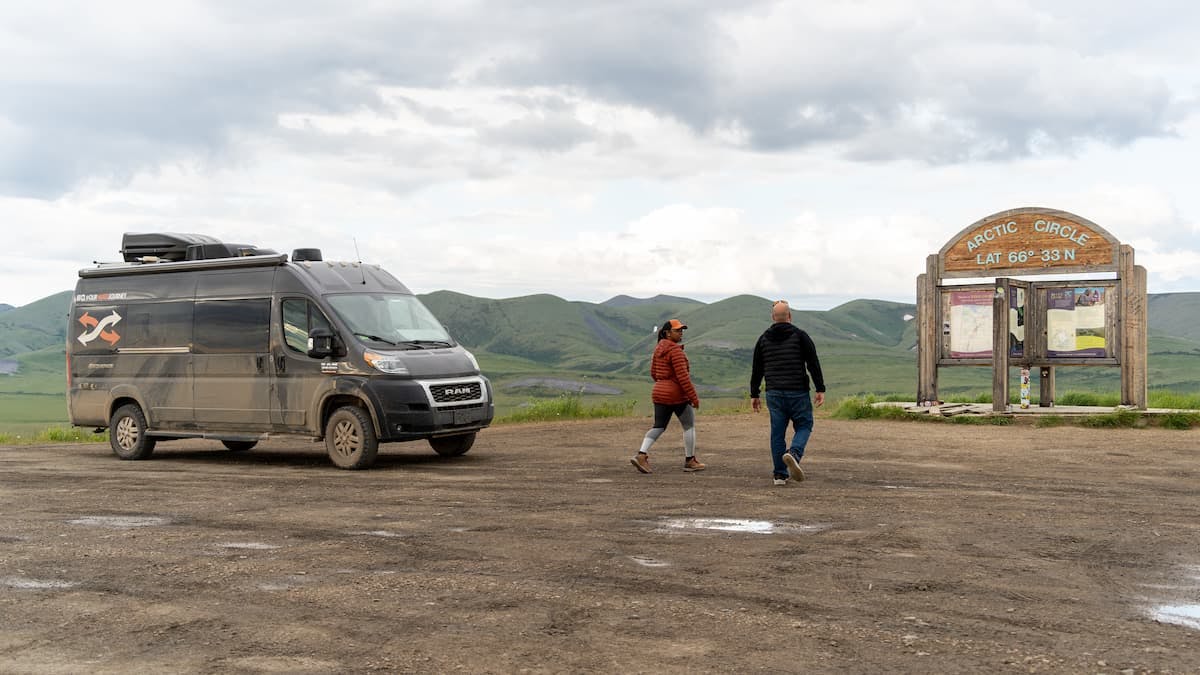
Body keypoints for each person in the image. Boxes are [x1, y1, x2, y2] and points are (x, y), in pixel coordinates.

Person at [749, 300, 826, 485]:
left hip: (774, 393)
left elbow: (757, 368)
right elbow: (813, 363)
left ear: (773, 318)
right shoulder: (800, 336)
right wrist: (820, 388)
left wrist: (754, 394)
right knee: (805, 425)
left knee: (777, 433)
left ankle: (779, 475)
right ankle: (794, 453)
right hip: (797, 391)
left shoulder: (763, 339)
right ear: (789, 316)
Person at [630, 319, 705, 474]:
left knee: (658, 426)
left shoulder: (659, 349)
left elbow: (653, 372)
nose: (681, 333)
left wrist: (663, 384)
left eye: (681, 330)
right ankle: (690, 460)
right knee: (689, 425)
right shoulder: (675, 351)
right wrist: (694, 397)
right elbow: (683, 378)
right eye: (677, 330)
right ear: (667, 333)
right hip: (676, 394)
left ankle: (641, 454)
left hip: (659, 392)